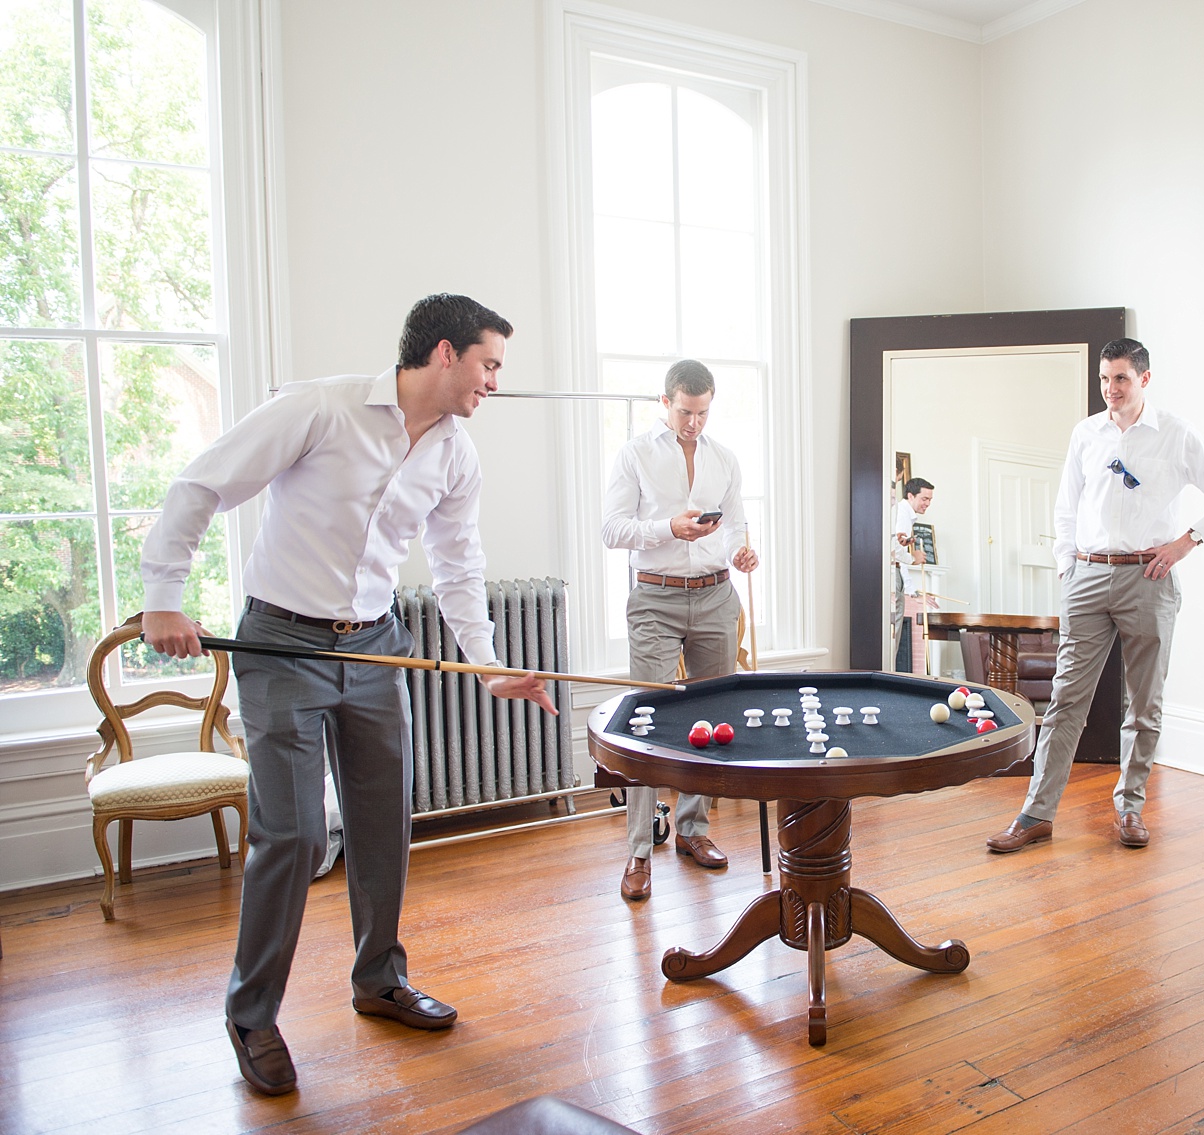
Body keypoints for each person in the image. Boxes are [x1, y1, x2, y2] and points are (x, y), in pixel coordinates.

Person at [140, 294, 557, 1096]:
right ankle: (252, 1012)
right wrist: (164, 595)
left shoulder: (457, 454)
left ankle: (379, 979)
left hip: (375, 646)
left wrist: (489, 661)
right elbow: (200, 485)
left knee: (381, 825)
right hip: (281, 643)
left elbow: (459, 566)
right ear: (445, 353)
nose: (494, 382)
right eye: (490, 363)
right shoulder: (319, 408)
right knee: (293, 837)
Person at [987, 338, 1204, 854]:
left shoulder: (1176, 435)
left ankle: (1129, 808)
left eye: (1122, 379)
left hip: (1148, 581)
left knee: (1145, 706)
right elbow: (1066, 508)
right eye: (1105, 379)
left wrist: (1185, 543)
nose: (1111, 389)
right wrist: (1068, 567)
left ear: (1144, 380)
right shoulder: (1086, 434)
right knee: (1066, 701)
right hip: (1087, 576)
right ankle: (1035, 814)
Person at [601, 359, 758, 901]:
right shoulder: (635, 453)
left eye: (704, 412)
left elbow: (736, 522)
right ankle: (639, 850)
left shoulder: (725, 459)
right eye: (686, 412)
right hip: (655, 598)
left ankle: (694, 830)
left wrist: (741, 550)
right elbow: (611, 529)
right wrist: (668, 527)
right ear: (665, 403)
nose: (695, 422)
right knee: (646, 719)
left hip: (716, 596)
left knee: (713, 716)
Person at [892, 477, 935, 672]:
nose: (927, 504)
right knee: (893, 634)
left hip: (898, 574)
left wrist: (912, 591)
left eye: (930, 500)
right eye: (924, 498)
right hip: (893, 573)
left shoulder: (905, 514)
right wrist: (913, 558)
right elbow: (895, 548)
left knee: (896, 632)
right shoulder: (901, 512)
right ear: (910, 495)